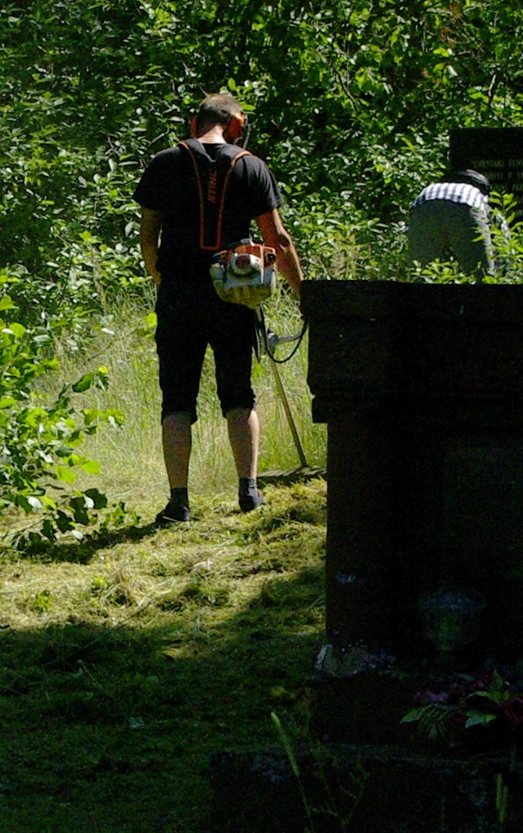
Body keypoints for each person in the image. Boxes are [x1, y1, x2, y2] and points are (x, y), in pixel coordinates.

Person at [134, 92, 305, 522]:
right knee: (238, 392)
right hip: (234, 293)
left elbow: (147, 236)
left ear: (195, 124)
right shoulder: (251, 166)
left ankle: (179, 502)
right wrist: (305, 295)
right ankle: (249, 493)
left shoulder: (164, 162)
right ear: (235, 125)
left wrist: (162, 279)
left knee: (176, 398)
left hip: (177, 294)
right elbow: (278, 240)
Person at [407, 168, 494, 277]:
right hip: (465, 206)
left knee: (423, 272)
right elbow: (497, 233)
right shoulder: (477, 194)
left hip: (423, 206)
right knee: (482, 273)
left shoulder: (432, 188)